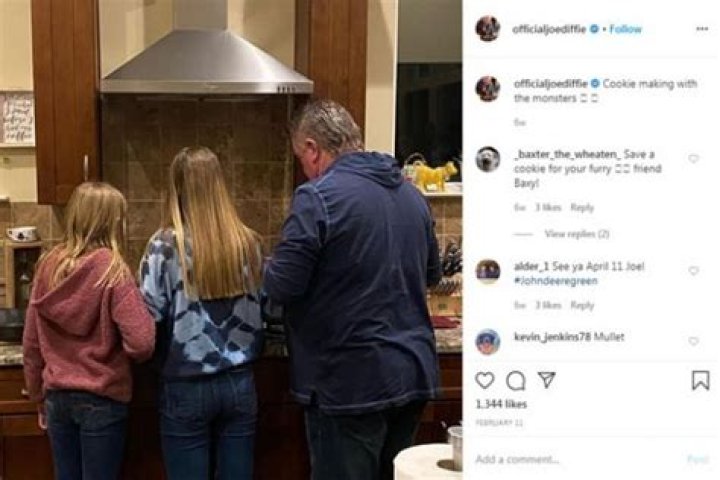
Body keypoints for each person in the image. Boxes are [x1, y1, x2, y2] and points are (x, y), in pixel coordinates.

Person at [263, 99, 442, 480]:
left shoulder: (318, 198)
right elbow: (431, 275)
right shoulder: (413, 196)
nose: (304, 168)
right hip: (412, 374)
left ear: (312, 148)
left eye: (301, 158)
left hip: (349, 383)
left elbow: (282, 286)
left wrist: (260, 264)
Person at [139, 147, 264, 480]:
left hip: (185, 383)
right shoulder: (248, 243)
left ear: (177, 189)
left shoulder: (165, 246)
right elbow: (264, 305)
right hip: (240, 383)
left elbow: (149, 317)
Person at [22, 182, 155, 480]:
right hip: (101, 397)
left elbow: (31, 342)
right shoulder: (113, 270)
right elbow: (143, 342)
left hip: (57, 397)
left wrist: (37, 395)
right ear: (111, 222)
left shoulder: (46, 267)